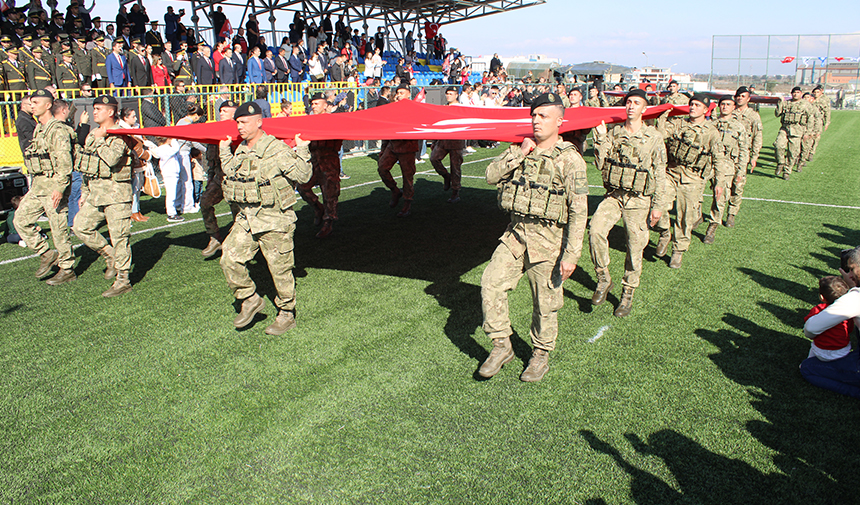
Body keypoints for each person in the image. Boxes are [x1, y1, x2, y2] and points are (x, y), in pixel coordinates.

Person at [478, 92, 588, 382]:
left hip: (549, 240)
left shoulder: (570, 161)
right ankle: (502, 345)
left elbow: (579, 210)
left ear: (559, 122)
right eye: (534, 115)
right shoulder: (520, 149)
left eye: (544, 116)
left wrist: (571, 254)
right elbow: (490, 175)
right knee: (490, 283)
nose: (536, 121)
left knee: (545, 302)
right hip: (515, 234)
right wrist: (519, 153)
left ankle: (540, 354)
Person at [218, 101, 312, 334]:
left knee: (280, 270)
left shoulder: (276, 150)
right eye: (237, 122)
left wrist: (302, 149)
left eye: (244, 122)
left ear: (259, 122)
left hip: (275, 220)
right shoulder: (241, 149)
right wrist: (223, 150)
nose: (239, 127)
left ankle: (287, 313)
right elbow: (231, 172)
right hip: (248, 218)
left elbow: (303, 175)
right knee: (228, 257)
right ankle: (249, 299)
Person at [589, 88, 667, 317]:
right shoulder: (613, 133)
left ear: (644, 108)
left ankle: (628, 292)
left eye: (636, 103)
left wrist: (658, 206)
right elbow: (600, 164)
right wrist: (601, 138)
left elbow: (660, 173)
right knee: (595, 230)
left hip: (639, 200)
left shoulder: (654, 137)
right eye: (629, 102)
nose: (631, 106)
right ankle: (603, 278)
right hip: (614, 195)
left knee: (634, 247)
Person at [653, 94, 729, 269]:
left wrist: (719, 182)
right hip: (671, 172)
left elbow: (718, 158)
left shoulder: (711, 132)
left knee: (685, 217)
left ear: (705, 109)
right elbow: (661, 133)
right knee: (659, 205)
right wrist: (663, 116)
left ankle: (678, 250)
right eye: (691, 104)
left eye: (697, 105)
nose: (692, 107)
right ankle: (665, 232)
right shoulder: (679, 123)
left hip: (692, 178)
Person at [72, 94, 137, 297]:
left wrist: (100, 141)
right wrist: (85, 191)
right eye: (95, 108)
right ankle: (110, 256)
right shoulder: (93, 134)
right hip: (96, 193)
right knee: (80, 227)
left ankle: (123, 279)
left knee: (120, 237)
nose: (94, 112)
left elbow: (111, 159)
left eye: (99, 108)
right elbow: (87, 164)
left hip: (117, 194)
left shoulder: (120, 135)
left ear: (110, 111)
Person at [14, 91, 77, 285]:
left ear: (48, 105)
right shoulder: (39, 128)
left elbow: (65, 163)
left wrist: (59, 188)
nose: (32, 106)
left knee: (58, 230)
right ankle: (46, 253)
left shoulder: (57, 130)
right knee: (21, 220)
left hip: (53, 187)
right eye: (31, 103)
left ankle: (67, 268)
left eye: (36, 102)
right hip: (39, 185)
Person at [802, 248, 860, 400]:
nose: (850, 274)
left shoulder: (856, 299)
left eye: (852, 269)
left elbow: (811, 329)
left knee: (808, 368)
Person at [297, 93, 343, 239]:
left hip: (328, 159)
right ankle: (318, 209)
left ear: (325, 105)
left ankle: (328, 222)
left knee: (329, 193)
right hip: (314, 159)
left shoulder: (332, 120)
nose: (313, 106)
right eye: (313, 103)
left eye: (317, 103)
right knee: (302, 186)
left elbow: (338, 138)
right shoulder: (309, 120)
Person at [703, 96, 748, 245]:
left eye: (728, 104)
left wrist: (741, 171)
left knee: (719, 197)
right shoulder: (711, 124)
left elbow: (743, 151)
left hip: (727, 164)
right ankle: (696, 216)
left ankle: (712, 226)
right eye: (722, 104)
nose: (725, 107)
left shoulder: (738, 127)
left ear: (733, 107)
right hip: (709, 162)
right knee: (696, 189)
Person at [200, 100, 240, 258]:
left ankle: (239, 244)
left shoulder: (240, 130)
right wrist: (210, 177)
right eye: (221, 110)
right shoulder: (215, 130)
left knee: (238, 214)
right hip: (219, 177)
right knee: (205, 203)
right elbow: (211, 158)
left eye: (225, 110)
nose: (221, 113)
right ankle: (215, 237)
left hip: (236, 179)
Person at [377, 84, 419, 218]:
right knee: (382, 168)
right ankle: (395, 190)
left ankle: (407, 202)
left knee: (407, 177)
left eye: (402, 92)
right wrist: (383, 149)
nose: (399, 95)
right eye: (398, 93)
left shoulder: (414, 109)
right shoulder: (393, 108)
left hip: (407, 146)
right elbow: (386, 128)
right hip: (393, 144)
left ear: (408, 94)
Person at [430, 86, 466, 204]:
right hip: (443, 139)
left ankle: (455, 191)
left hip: (456, 140)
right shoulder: (444, 107)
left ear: (456, 95)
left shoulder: (461, 108)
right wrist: (435, 141)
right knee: (434, 159)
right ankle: (446, 176)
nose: (449, 95)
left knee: (455, 167)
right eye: (447, 93)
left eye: (451, 93)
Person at [773, 86, 811, 180]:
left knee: (792, 152)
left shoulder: (805, 104)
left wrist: (808, 132)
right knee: (778, 145)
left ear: (801, 94)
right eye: (794, 92)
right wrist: (780, 102)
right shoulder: (787, 103)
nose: (795, 94)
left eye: (798, 92)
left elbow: (811, 118)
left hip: (797, 130)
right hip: (785, 128)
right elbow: (777, 114)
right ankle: (781, 162)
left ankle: (787, 171)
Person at [148, 136, 184, 221]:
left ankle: (175, 209)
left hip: (173, 173)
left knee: (174, 193)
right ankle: (171, 214)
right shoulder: (164, 148)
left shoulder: (165, 148)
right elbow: (176, 148)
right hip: (169, 174)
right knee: (171, 194)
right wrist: (174, 138)